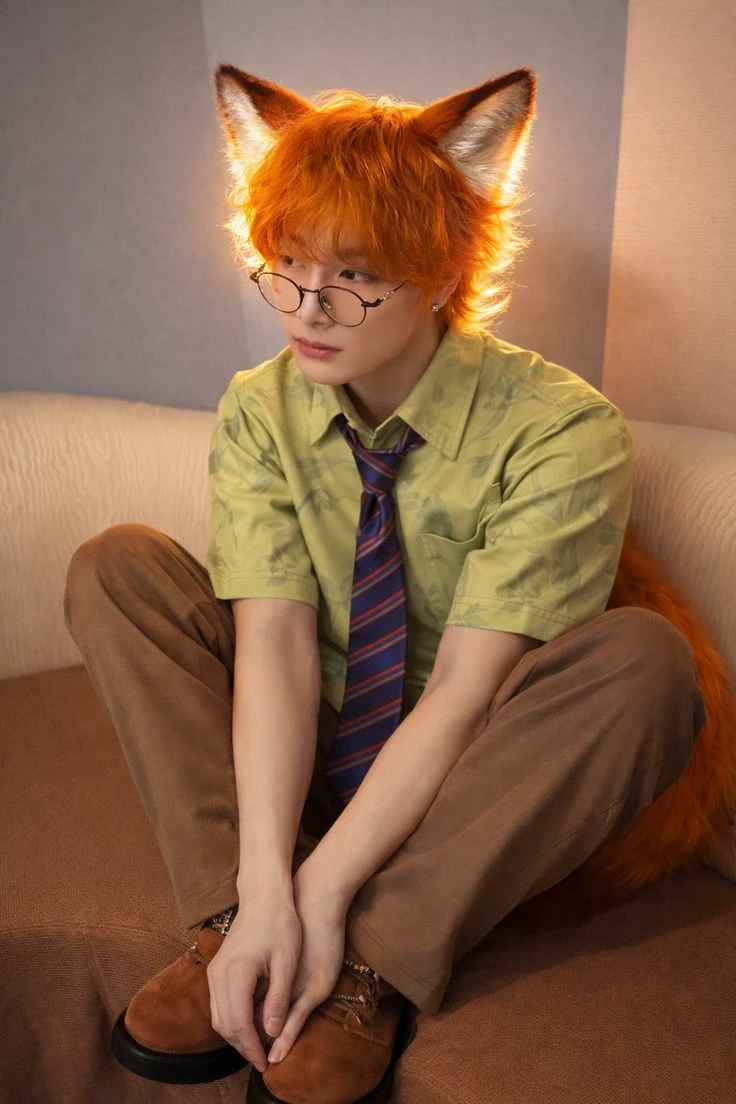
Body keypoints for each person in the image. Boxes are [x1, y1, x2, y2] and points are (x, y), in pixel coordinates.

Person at [64, 64, 703, 1104]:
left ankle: (374, 961)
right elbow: (272, 642)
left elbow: (466, 694)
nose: (307, 310)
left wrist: (323, 896)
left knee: (648, 661)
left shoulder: (562, 430)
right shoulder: (261, 407)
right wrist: (265, 892)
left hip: (467, 769)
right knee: (116, 567)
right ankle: (229, 927)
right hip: (311, 738)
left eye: (355, 277)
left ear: (443, 273)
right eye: (285, 266)